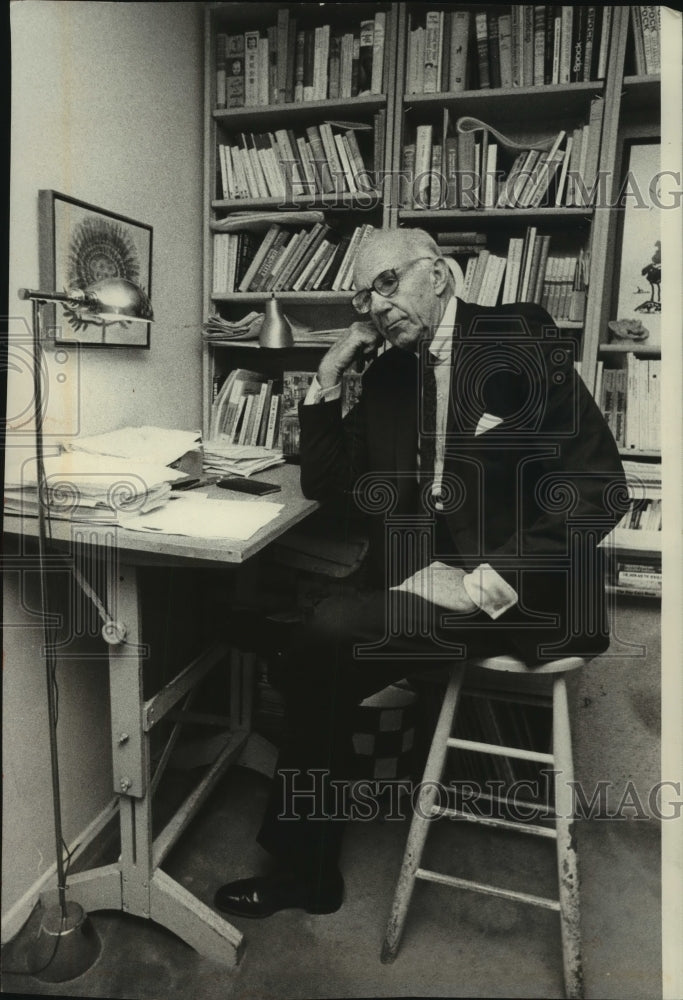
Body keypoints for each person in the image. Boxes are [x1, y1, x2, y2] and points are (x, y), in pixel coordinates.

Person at [214, 227, 626, 919]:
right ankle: (308, 872)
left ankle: (305, 870)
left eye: (385, 284)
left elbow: (596, 489)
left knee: (323, 634)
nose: (373, 308)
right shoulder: (385, 375)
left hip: (517, 596)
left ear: (436, 274)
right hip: (409, 587)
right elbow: (332, 484)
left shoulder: (519, 343)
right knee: (307, 645)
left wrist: (474, 582)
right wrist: (323, 384)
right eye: (360, 296)